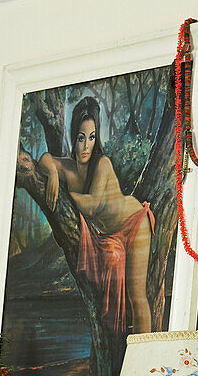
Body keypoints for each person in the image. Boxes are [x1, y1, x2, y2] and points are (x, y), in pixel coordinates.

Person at [38, 96, 154, 334]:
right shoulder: (69, 168)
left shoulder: (103, 164)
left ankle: (147, 360)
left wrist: (65, 191)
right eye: (81, 138)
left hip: (134, 223)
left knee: (137, 297)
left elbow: (92, 205)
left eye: (92, 137)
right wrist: (52, 171)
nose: (86, 146)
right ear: (74, 137)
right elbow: (45, 159)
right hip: (109, 235)